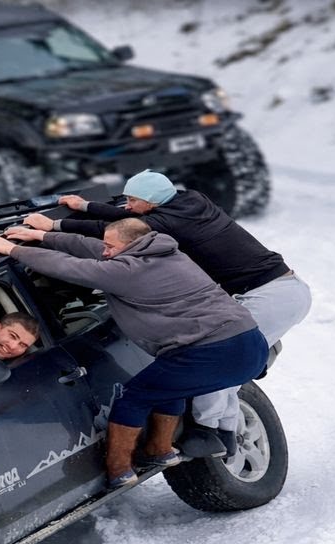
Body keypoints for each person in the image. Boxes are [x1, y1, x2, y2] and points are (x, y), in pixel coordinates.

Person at [22, 170, 311, 458]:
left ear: (151, 202)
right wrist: (84, 205)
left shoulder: (164, 223)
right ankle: (224, 434)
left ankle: (207, 432)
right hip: (284, 288)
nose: (127, 205)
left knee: (216, 367)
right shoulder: (190, 200)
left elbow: (112, 230)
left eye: (133, 200)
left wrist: (54, 225)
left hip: (270, 295)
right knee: (225, 370)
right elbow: (125, 219)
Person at [0, 218, 268, 489]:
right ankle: (160, 450)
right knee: (167, 388)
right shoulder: (167, 253)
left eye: (111, 246)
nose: (105, 250)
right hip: (250, 341)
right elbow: (91, 247)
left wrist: (12, 250)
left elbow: (69, 267)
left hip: (214, 349)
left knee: (134, 398)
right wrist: (42, 235)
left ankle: (119, 470)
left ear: (131, 245)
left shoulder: (128, 272)